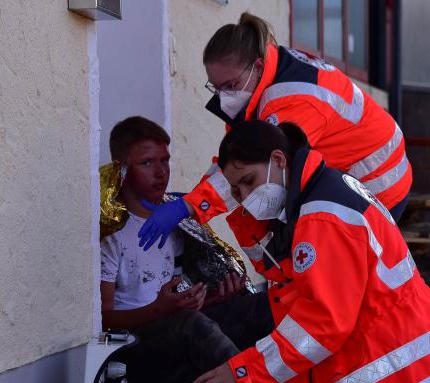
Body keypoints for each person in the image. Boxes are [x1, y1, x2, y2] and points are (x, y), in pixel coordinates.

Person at [193, 120, 430, 383]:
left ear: (278, 160)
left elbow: (320, 324)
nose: (244, 196)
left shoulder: (322, 216)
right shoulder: (321, 192)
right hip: (398, 373)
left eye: (249, 182)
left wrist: (241, 373)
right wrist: (244, 215)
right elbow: (286, 275)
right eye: (237, 191)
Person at [138, 12, 411, 252]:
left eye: (230, 84)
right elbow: (237, 161)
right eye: (216, 87)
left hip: (378, 184)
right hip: (360, 171)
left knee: (336, 271)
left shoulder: (291, 101)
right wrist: (191, 199)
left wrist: (189, 207)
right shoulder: (268, 73)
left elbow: (254, 164)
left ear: (256, 66)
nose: (224, 96)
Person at [100, 116, 273, 383]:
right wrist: (160, 310)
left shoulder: (175, 224)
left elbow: (176, 301)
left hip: (177, 332)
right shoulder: (112, 234)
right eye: (147, 163)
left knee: (264, 306)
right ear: (121, 169)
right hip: (134, 354)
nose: (161, 173)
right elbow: (103, 318)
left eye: (165, 161)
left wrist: (215, 300)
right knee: (191, 325)